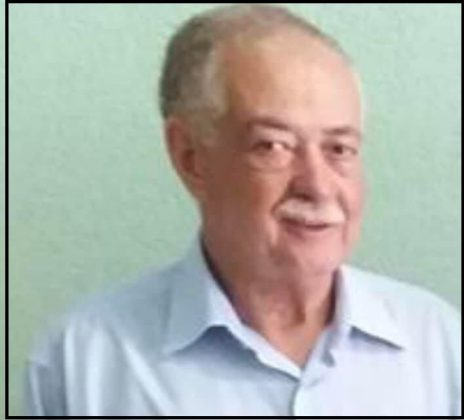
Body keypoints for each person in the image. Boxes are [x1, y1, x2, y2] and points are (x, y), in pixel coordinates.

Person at [25, 5, 461, 416]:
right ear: (191, 157)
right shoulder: (81, 364)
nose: (317, 184)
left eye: (339, 149)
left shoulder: (439, 346)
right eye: (273, 146)